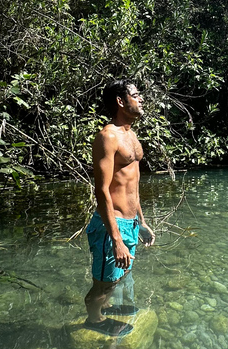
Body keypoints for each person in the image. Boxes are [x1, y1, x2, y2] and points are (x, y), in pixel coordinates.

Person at [84, 79, 155, 337]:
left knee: (119, 277)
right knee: (103, 284)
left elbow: (132, 185)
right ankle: (94, 320)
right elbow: (101, 190)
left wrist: (142, 222)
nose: (141, 99)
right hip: (110, 225)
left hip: (131, 222)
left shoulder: (131, 134)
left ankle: (109, 306)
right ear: (120, 101)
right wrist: (116, 239)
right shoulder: (107, 136)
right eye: (136, 95)